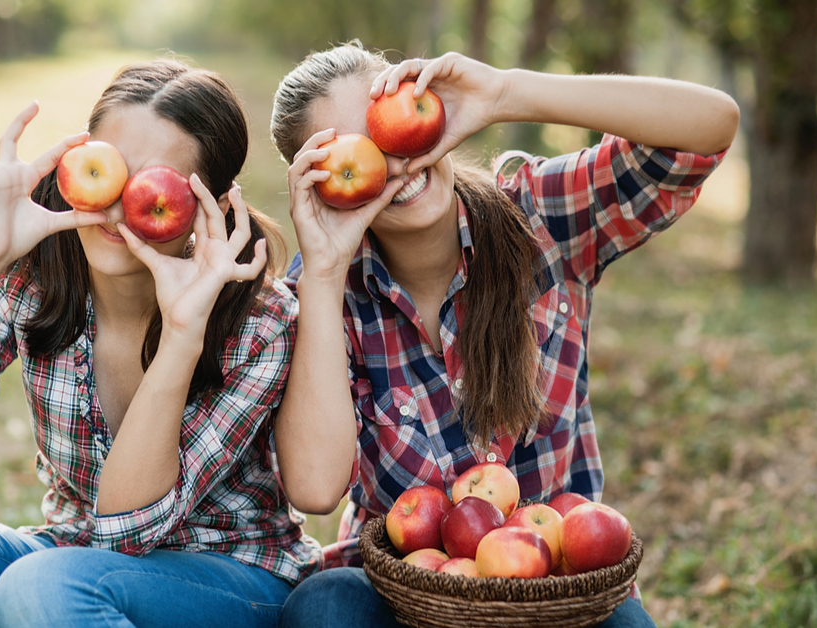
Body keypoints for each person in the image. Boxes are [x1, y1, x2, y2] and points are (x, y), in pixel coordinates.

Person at [0, 59, 319, 628]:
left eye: (152, 185)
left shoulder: (260, 322)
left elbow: (128, 530)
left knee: (43, 585)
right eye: (106, 170)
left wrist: (184, 333)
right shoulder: (37, 278)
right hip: (65, 570)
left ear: (213, 208)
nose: (117, 205)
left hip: (229, 581)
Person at [267, 43, 739, 628]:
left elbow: (709, 130)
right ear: (319, 185)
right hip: (404, 596)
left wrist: (505, 93)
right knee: (324, 606)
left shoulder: (538, 217)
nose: (396, 161)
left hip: (553, 592)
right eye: (357, 152)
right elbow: (314, 489)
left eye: (393, 122)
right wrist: (324, 273)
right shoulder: (319, 292)